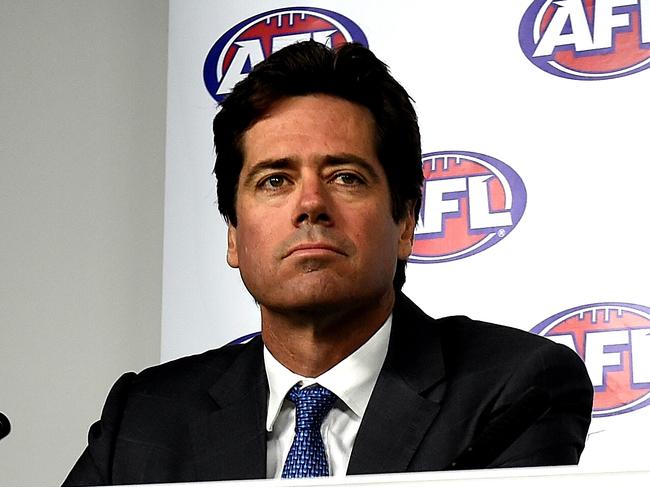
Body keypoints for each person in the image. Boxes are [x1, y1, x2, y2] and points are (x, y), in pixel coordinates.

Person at [63, 41, 593, 486]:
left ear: (405, 222)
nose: (311, 203)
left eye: (345, 177)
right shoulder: (147, 416)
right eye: (274, 180)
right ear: (233, 235)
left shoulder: (512, 389)